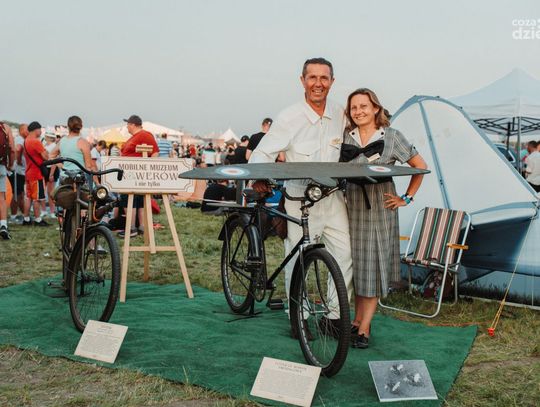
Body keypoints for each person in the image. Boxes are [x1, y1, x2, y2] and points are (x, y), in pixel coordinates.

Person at [249, 57, 354, 338]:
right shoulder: (289, 117)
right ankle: (299, 316)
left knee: (344, 255)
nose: (318, 83)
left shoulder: (340, 113)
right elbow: (264, 151)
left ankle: (334, 316)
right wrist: (259, 177)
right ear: (302, 81)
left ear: (332, 81)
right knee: (297, 258)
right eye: (312, 77)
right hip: (300, 199)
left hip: (332, 197)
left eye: (324, 78)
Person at [342, 88, 427, 349]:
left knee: (373, 266)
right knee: (357, 266)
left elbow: (420, 166)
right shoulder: (345, 136)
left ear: (376, 108)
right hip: (351, 205)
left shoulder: (392, 136)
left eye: (364, 106)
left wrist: (406, 198)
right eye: (354, 107)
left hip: (380, 205)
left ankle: (364, 328)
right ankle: (357, 320)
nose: (358, 111)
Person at [118, 115, 159, 238]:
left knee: (130, 199)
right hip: (130, 173)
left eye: (128, 124)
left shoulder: (145, 135)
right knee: (136, 200)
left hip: (135, 174)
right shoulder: (135, 137)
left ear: (133, 124)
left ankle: (132, 228)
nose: (126, 127)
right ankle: (139, 227)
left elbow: (155, 153)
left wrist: (148, 170)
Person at [22, 121, 49, 226]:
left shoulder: (26, 141)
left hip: (28, 173)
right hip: (37, 174)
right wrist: (45, 150)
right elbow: (45, 157)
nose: (41, 131)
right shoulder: (36, 142)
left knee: (28, 197)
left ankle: (26, 219)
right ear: (36, 129)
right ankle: (38, 220)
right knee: (37, 198)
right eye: (40, 129)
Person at [8, 124, 28, 225]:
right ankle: (13, 216)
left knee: (19, 193)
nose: (28, 131)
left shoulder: (21, 139)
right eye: (26, 129)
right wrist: (19, 161)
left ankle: (22, 214)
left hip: (19, 171)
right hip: (17, 171)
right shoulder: (20, 139)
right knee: (17, 194)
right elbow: (17, 149)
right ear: (21, 130)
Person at [0, 121, 16, 239]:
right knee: (2, 197)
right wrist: (10, 165)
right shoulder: (5, 127)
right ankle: (3, 225)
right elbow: (12, 148)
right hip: (0, 165)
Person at [43, 133, 59, 217]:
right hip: (45, 168)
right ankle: (44, 210)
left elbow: (54, 162)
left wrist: (51, 174)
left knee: (50, 192)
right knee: (43, 190)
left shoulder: (53, 146)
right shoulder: (45, 144)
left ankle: (52, 211)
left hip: (51, 169)